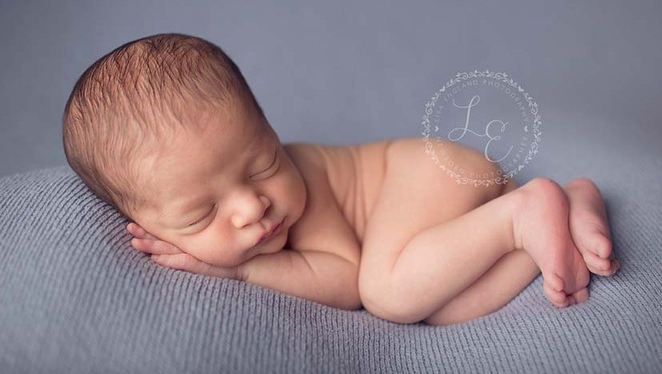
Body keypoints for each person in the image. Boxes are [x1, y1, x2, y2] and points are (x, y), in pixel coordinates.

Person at [62, 33, 619, 326]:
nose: (252, 206)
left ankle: (522, 215)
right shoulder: (253, 203)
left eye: (263, 164)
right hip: (444, 203)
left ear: (272, 130)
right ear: (146, 225)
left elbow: (344, 279)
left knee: (388, 292)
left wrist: (246, 272)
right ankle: (559, 208)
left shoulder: (304, 191)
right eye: (200, 214)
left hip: (425, 174)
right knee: (446, 307)